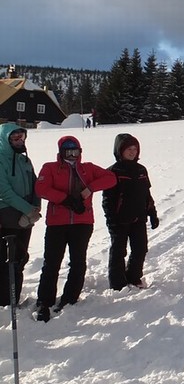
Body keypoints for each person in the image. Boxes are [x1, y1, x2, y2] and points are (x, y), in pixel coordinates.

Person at [33, 136, 117, 322]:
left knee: (78, 262)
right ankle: (44, 301)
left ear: (80, 152)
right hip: (57, 223)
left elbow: (111, 179)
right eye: (67, 151)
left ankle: (70, 297)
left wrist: (90, 188)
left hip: (82, 222)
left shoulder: (88, 168)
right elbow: (41, 188)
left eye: (75, 151)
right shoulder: (50, 168)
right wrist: (65, 199)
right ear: (60, 152)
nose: (72, 155)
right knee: (52, 262)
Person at [102, 133, 159, 291]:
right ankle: (117, 283)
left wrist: (152, 213)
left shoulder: (141, 170)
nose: (132, 152)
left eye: (135, 149)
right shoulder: (113, 171)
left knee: (140, 248)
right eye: (129, 149)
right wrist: (111, 220)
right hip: (119, 219)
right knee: (118, 251)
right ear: (120, 150)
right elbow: (107, 200)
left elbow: (147, 194)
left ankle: (134, 276)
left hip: (139, 217)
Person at [0, 125, 41, 308]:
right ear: (6, 140)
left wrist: (35, 208)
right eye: (15, 139)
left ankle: (13, 300)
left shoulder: (25, 160)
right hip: (7, 216)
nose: (20, 142)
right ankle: (4, 303)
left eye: (22, 138)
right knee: (7, 262)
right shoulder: (1, 159)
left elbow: (36, 185)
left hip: (26, 217)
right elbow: (4, 192)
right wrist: (27, 209)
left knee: (20, 259)